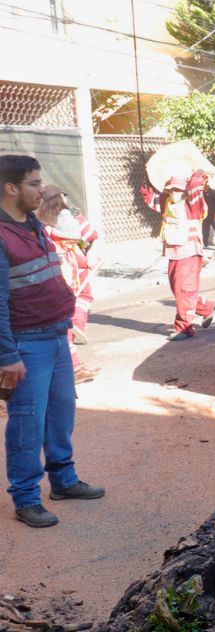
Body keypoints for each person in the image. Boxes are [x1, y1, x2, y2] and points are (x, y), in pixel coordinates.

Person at [0, 155, 105, 528]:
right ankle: (26, 499)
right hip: (25, 345)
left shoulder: (31, 225)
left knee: (61, 414)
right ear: (11, 188)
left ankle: (63, 481)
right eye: (34, 183)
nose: (41, 189)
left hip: (55, 336)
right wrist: (7, 355)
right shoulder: (2, 235)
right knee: (27, 423)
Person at [36, 186, 96, 383]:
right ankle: (71, 369)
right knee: (63, 334)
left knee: (65, 334)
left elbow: (78, 250)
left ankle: (71, 368)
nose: (72, 243)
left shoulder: (65, 238)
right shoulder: (50, 244)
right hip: (55, 299)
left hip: (68, 293)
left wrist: (85, 262)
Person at [157, 175, 215, 341]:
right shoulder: (167, 203)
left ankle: (184, 327)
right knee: (178, 290)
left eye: (178, 189)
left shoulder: (192, 204)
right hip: (173, 253)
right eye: (172, 189)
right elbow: (152, 200)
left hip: (189, 251)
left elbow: (196, 188)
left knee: (185, 290)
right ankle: (208, 309)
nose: (175, 193)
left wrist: (197, 174)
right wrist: (147, 186)